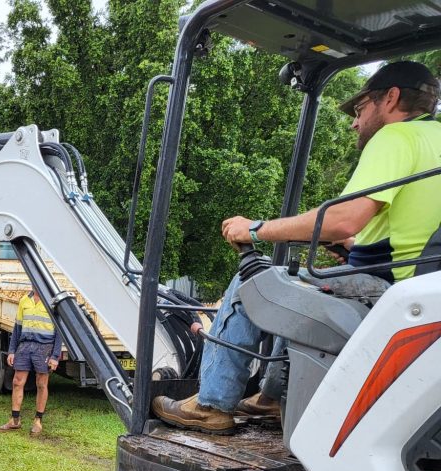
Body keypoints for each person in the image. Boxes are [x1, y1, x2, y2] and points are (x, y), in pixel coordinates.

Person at [153, 60, 441, 434]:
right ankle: (272, 398)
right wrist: (352, 247)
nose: (355, 121)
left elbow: (340, 218)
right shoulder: (433, 141)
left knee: (253, 285)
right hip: (418, 289)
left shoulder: (397, 137)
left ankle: (211, 402)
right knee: (299, 285)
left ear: (391, 98)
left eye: (360, 108)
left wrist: (255, 230)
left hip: (390, 293)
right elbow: (410, 233)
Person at [0, 289, 62, 436]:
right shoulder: (24, 300)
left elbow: (59, 331)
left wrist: (55, 356)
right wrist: (12, 350)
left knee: (41, 383)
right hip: (24, 346)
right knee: (17, 381)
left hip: (45, 347)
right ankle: (15, 420)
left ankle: (38, 421)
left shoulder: (53, 302)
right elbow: (17, 327)